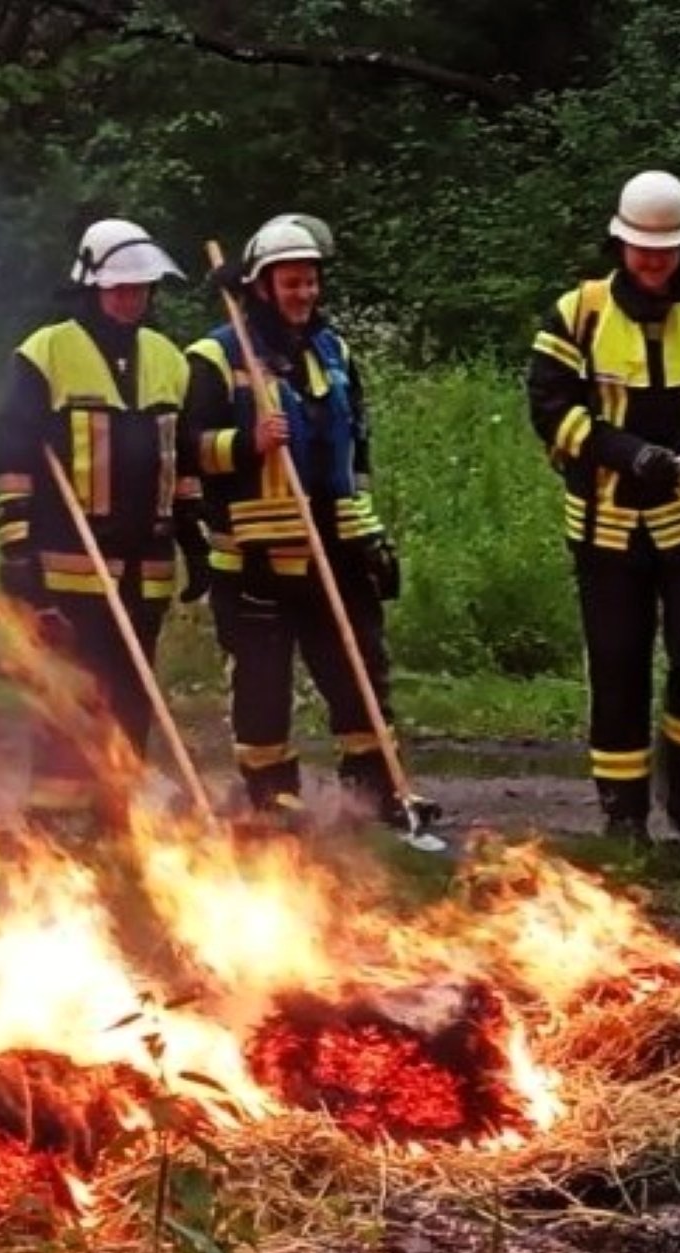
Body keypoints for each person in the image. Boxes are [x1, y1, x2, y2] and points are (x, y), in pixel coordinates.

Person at [525, 171, 680, 847]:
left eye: (666, 248)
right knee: (618, 661)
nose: (654, 260)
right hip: (606, 522)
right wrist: (627, 453)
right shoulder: (579, 312)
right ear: (620, 244)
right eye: (642, 247)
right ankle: (624, 811)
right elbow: (550, 409)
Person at [183, 217, 435, 831]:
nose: (304, 294)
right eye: (291, 283)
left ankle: (375, 788)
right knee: (263, 685)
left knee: (359, 675)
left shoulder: (335, 352)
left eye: (310, 282)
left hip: (339, 552)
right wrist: (247, 441)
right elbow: (185, 451)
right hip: (257, 560)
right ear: (262, 287)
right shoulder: (216, 356)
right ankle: (272, 796)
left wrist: (370, 537)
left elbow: (359, 452)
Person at [0, 219, 200, 829]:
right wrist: (17, 547)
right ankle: (54, 822)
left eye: (141, 290)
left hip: (146, 567)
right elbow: (10, 456)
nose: (131, 300)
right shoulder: (46, 352)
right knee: (71, 694)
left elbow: (180, 459)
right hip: (70, 564)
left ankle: (120, 812)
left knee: (134, 692)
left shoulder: (168, 358)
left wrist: (193, 538)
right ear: (90, 287)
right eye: (119, 289)